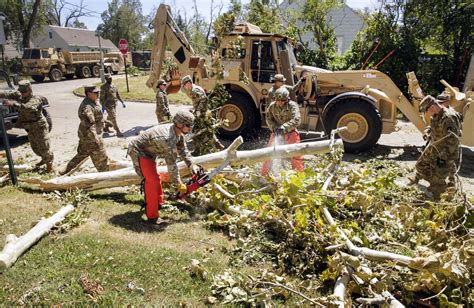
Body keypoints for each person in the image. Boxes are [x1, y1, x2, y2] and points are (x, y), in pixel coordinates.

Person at [127, 110, 200, 224]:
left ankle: (159, 204)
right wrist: (179, 184)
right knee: (151, 181)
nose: (190, 129)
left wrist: (191, 164)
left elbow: (183, 150)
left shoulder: (178, 134)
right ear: (180, 124)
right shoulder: (168, 138)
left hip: (150, 152)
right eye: (188, 126)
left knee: (156, 178)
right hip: (139, 151)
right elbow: (171, 165)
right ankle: (152, 216)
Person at [410, 95, 462, 199]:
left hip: (446, 152)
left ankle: (439, 195)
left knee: (437, 180)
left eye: (427, 110)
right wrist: (427, 132)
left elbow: (453, 140)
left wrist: (443, 157)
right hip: (435, 146)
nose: (428, 113)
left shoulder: (448, 118)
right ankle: (438, 183)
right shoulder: (437, 114)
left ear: (432, 106)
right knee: (420, 166)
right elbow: (433, 126)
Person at [0, 80, 54, 172]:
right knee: (35, 147)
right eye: (21, 92)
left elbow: (28, 108)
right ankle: (44, 159)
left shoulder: (36, 99)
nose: (22, 94)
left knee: (44, 146)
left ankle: (50, 166)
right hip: (29, 126)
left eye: (24, 92)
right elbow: (7, 93)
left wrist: (13, 104)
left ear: (30, 90)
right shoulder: (19, 94)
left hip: (39, 125)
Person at [60, 85, 109, 175]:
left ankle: (66, 170)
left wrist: (105, 122)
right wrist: (95, 140)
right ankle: (105, 176)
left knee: (82, 154)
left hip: (87, 135)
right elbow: (90, 125)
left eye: (98, 92)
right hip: (91, 136)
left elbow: (96, 117)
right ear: (88, 93)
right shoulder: (87, 107)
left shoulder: (93, 101)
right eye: (95, 92)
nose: (98, 94)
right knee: (101, 157)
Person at [261, 87, 304, 176]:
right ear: (275, 99)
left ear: (287, 99)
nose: (280, 102)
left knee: (296, 155)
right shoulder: (272, 106)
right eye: (278, 100)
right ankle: (264, 175)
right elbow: (269, 119)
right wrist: (274, 128)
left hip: (290, 132)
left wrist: (284, 127)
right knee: (269, 154)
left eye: (283, 100)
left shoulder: (292, 105)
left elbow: (297, 119)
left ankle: (299, 175)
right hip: (277, 131)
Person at [180, 75, 224, 155]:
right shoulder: (190, 89)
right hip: (198, 112)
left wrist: (199, 110)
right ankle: (215, 145)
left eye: (184, 85)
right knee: (203, 130)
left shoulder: (195, 90)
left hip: (202, 114)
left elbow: (204, 99)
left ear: (189, 83)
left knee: (199, 130)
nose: (184, 87)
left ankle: (215, 146)